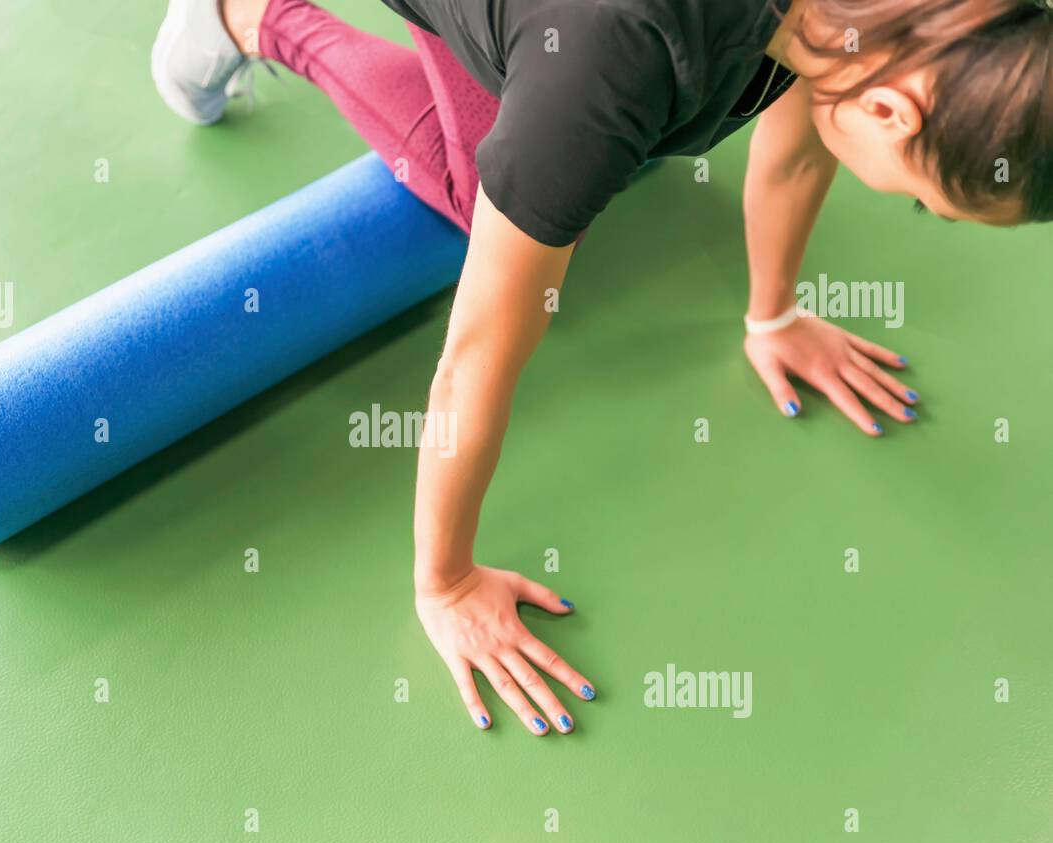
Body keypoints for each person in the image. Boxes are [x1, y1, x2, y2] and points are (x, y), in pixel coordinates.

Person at [151, 0, 1053, 735]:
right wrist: (448, 580)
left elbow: (810, 118)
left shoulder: (881, 24)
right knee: (485, 199)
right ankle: (246, 15)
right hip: (583, 45)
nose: (922, 212)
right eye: (934, 206)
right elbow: (479, 350)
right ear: (894, 114)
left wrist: (772, 312)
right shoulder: (611, 62)